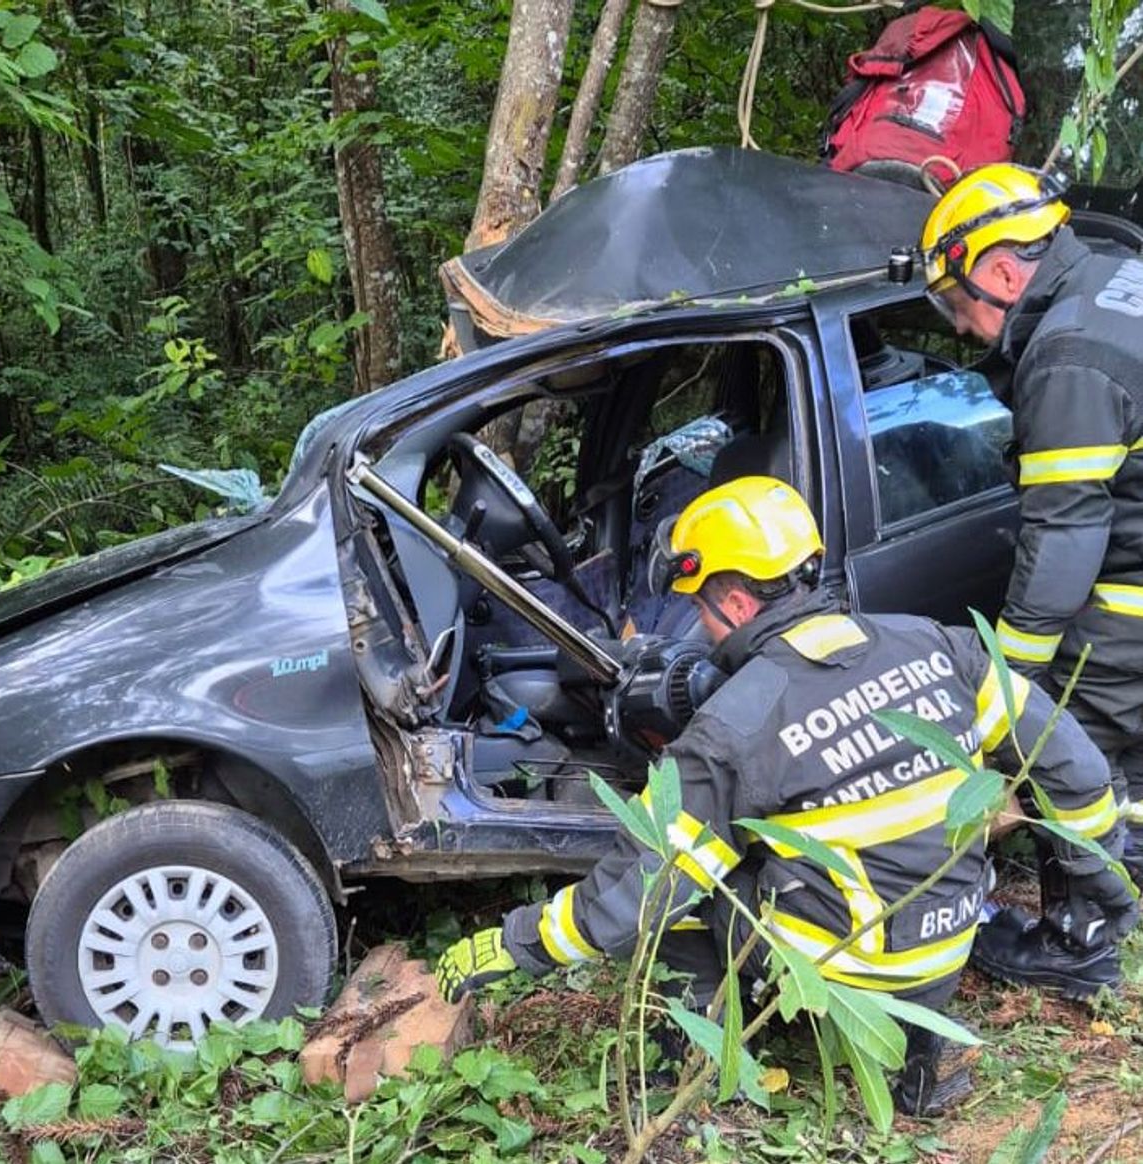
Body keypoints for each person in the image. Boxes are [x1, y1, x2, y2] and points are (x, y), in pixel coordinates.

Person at [435, 477, 1132, 1115]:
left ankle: (703, 1057)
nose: (701, 630)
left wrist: (513, 943)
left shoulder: (739, 722)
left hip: (847, 971)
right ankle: (922, 1050)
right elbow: (1076, 773)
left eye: (700, 610)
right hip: (949, 940)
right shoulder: (939, 645)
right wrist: (1110, 897)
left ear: (736, 600)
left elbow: (633, 899)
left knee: (691, 883)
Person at [919, 163, 1143, 989]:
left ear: (1003, 270)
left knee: (1072, 752)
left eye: (958, 304)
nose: (968, 330)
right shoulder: (1123, 281)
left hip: (1128, 603)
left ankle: (1080, 944)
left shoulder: (1068, 359)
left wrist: (1009, 684)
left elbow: (1064, 537)